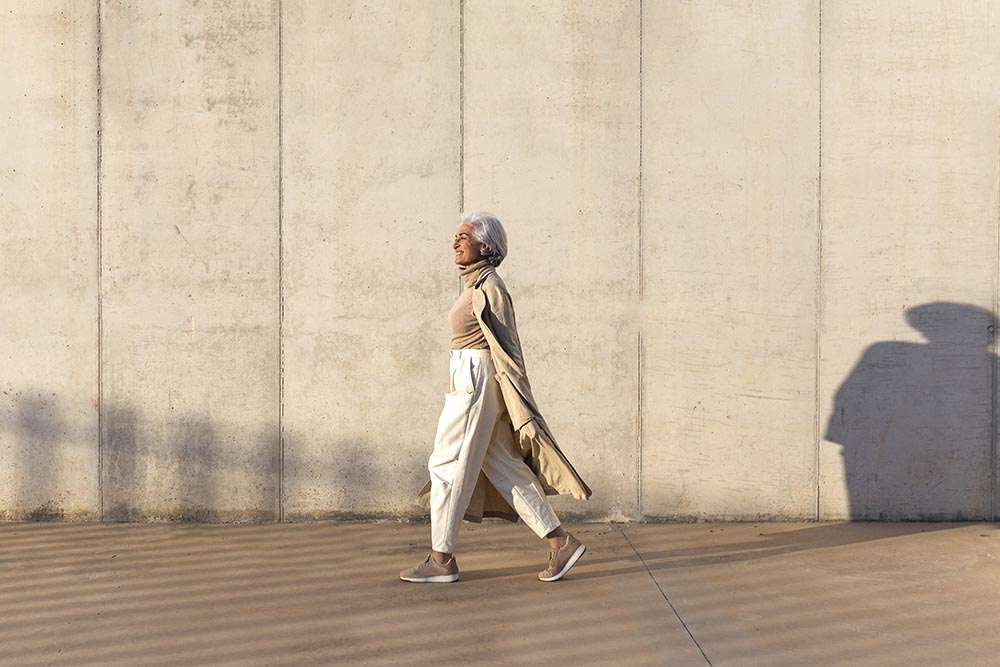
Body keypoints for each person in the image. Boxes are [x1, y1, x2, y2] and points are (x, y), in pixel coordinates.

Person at [400, 212, 592, 583]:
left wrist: (518, 399)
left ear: (485, 246)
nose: (455, 242)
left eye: (463, 237)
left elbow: (508, 349)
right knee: (502, 464)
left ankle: (441, 559)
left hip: (476, 381)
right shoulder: (475, 286)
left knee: (446, 465)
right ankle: (560, 542)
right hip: (469, 378)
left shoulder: (490, 287)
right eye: (454, 236)